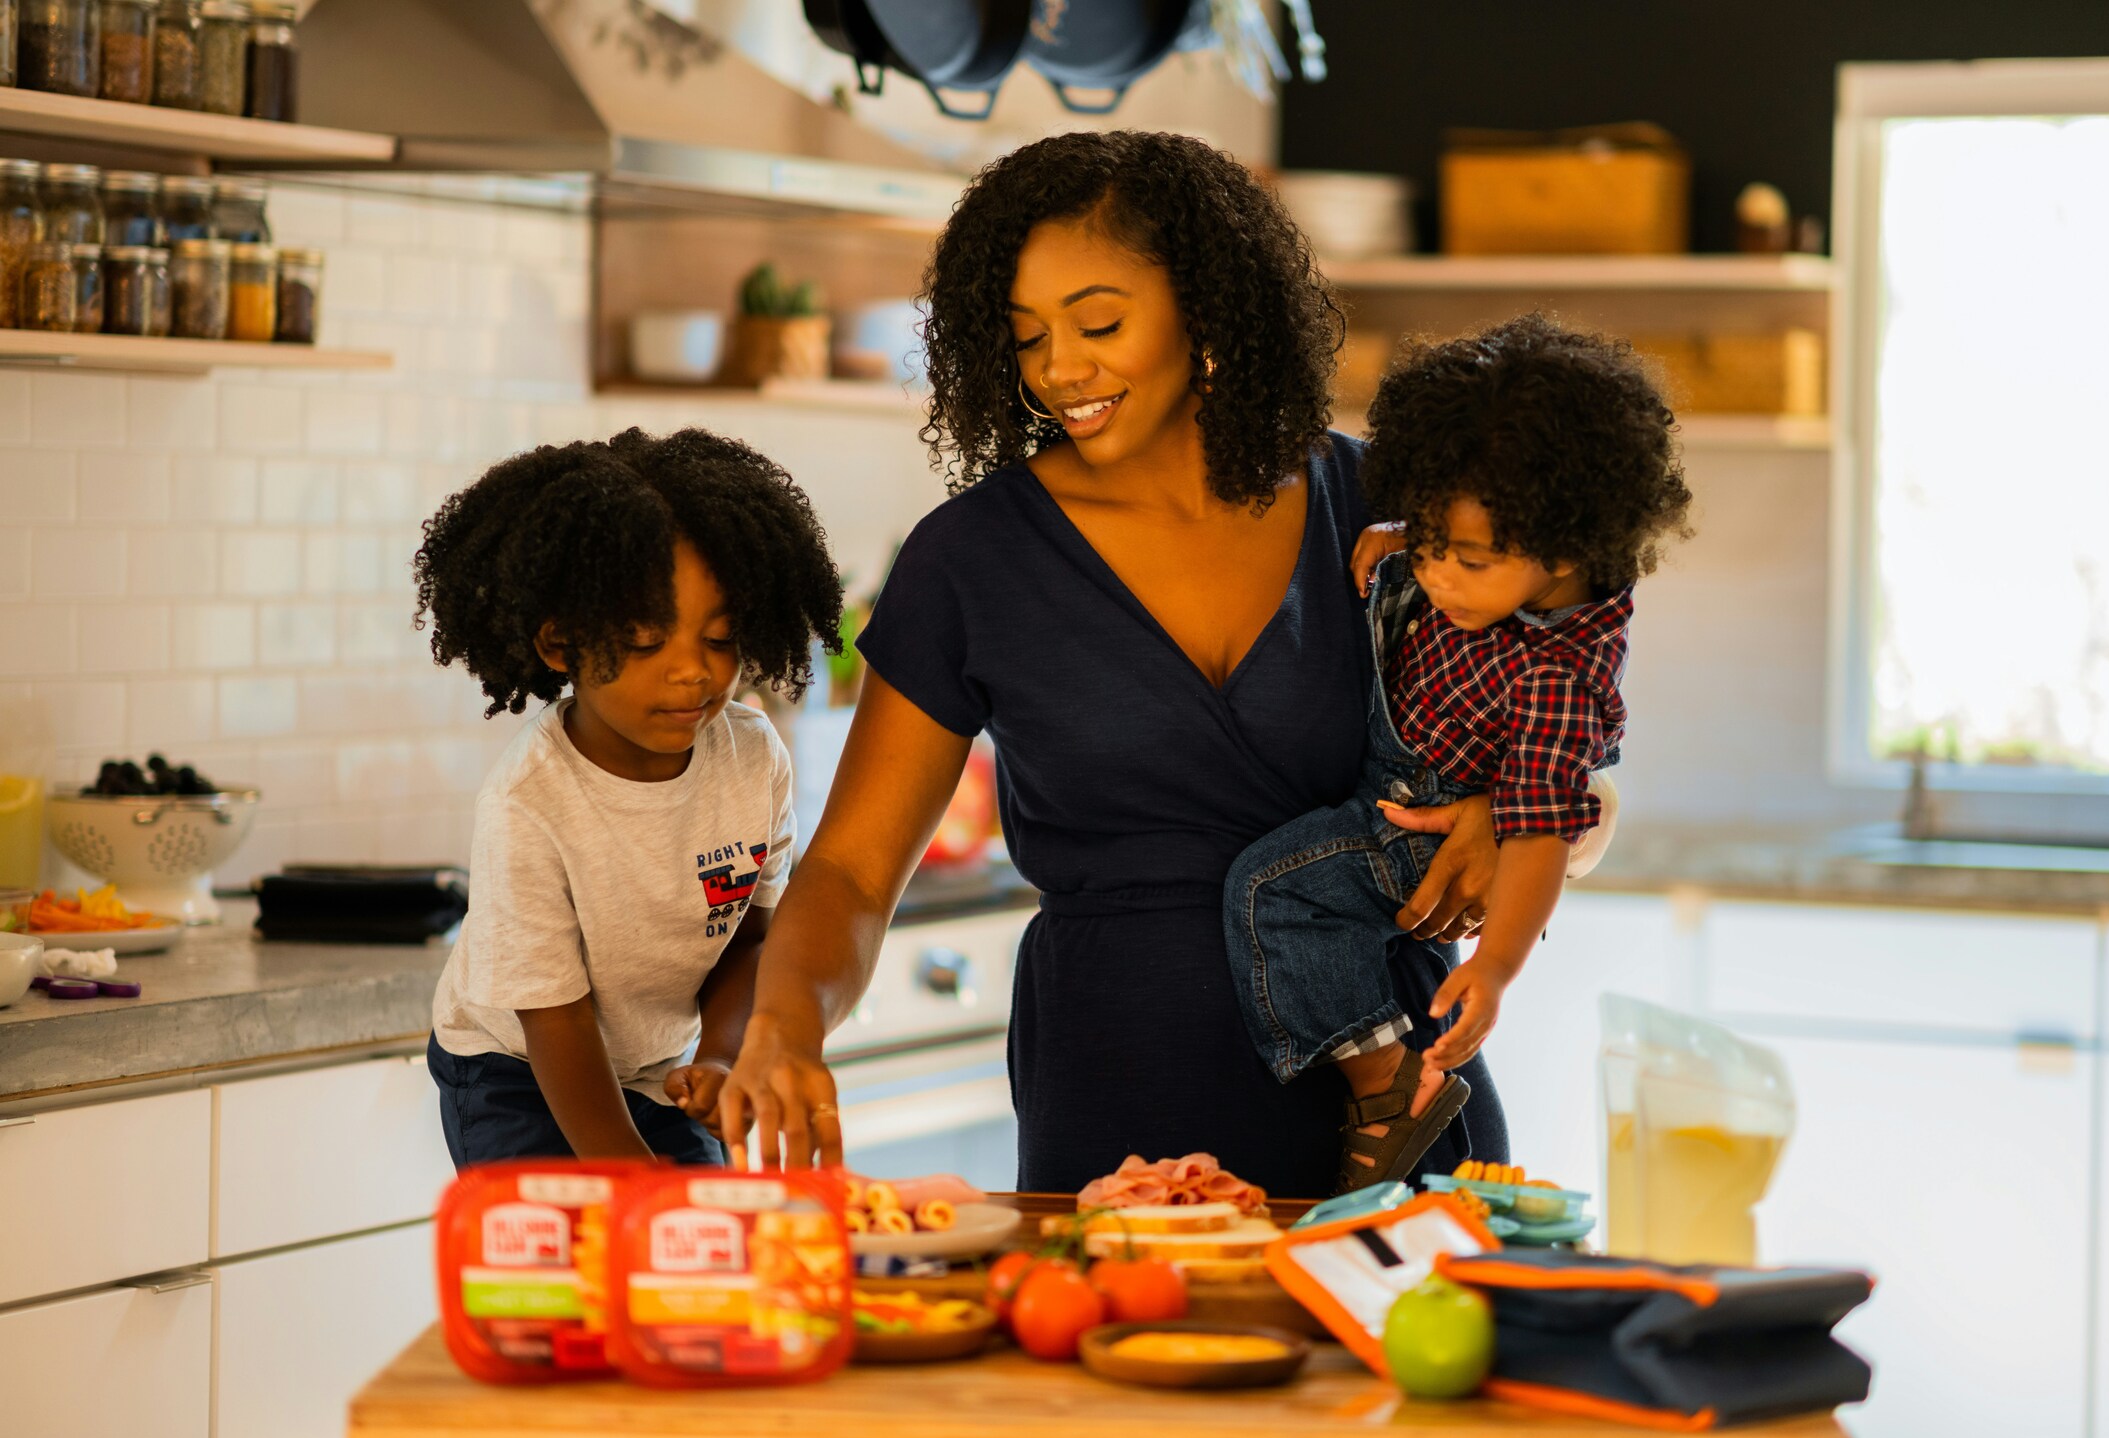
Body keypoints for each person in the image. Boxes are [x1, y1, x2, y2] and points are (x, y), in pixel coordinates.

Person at [688, 131, 1513, 1200]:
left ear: (1209, 303)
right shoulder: (971, 560)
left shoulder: (1377, 506)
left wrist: (1518, 823)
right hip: (1124, 1095)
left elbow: (1554, 715)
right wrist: (786, 1025)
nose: (1060, 370)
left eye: (1100, 323)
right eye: (1027, 338)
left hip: (1396, 1095)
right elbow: (847, 871)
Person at [1225, 315, 1693, 1192]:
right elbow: (1456, 546)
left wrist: (1497, 966)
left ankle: (1384, 1083)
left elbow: (1541, 831)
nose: (1440, 576)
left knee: (1270, 890)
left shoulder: (1558, 675)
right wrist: (1409, 542)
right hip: (1399, 775)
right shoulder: (1489, 557)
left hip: (1418, 819)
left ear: (1565, 551)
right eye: (1430, 541)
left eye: (1466, 560)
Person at [416, 427, 845, 1166]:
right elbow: (556, 1019)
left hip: (656, 1068)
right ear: (562, 646)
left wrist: (719, 1056)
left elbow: (750, 938)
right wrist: (630, 1171)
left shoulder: (753, 757)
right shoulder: (528, 803)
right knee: (576, 1267)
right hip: (515, 1070)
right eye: (648, 643)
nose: (693, 674)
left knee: (694, 1260)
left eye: (720, 639)